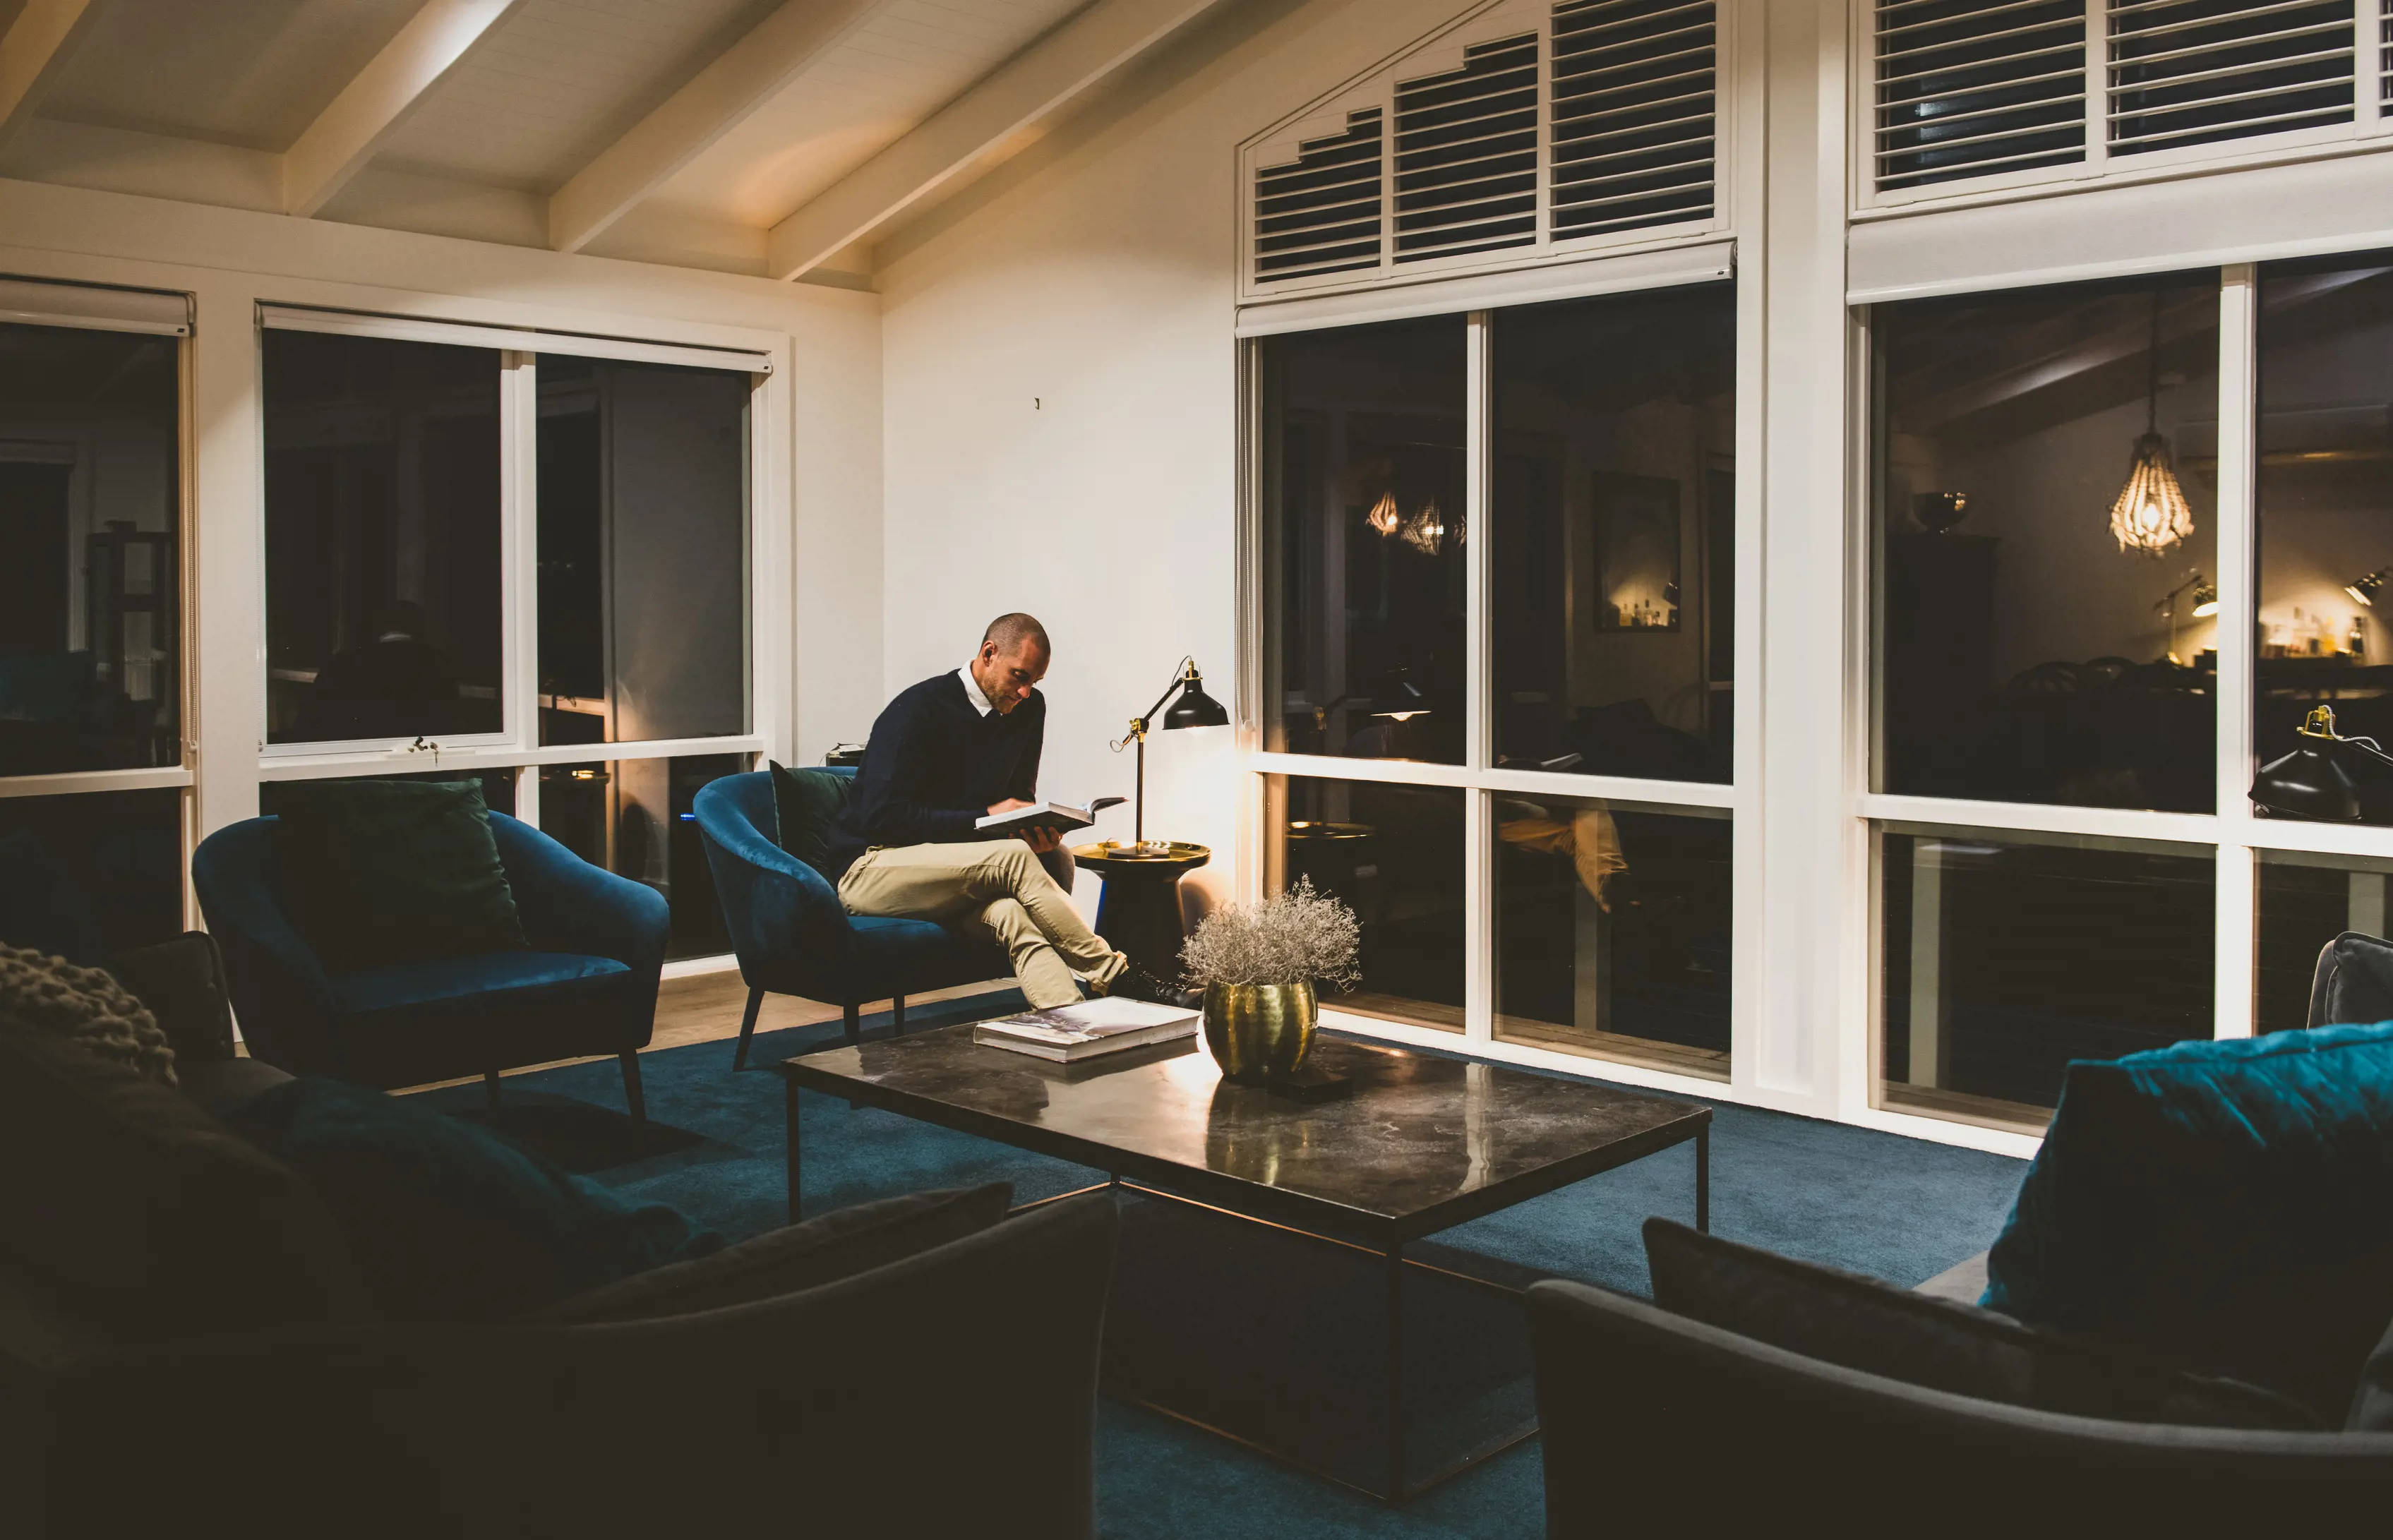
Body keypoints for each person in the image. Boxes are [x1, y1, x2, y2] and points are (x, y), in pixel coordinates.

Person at [825, 613, 1185, 1010]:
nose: (1026, 691)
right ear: (988, 653)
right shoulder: (915, 710)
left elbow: (1017, 796)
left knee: (1013, 916)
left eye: (1035, 681)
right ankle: (1119, 977)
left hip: (955, 874)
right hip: (871, 869)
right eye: (1019, 676)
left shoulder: (1029, 710)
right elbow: (882, 820)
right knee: (1011, 859)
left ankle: (1076, 1025)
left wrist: (1033, 827)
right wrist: (986, 817)